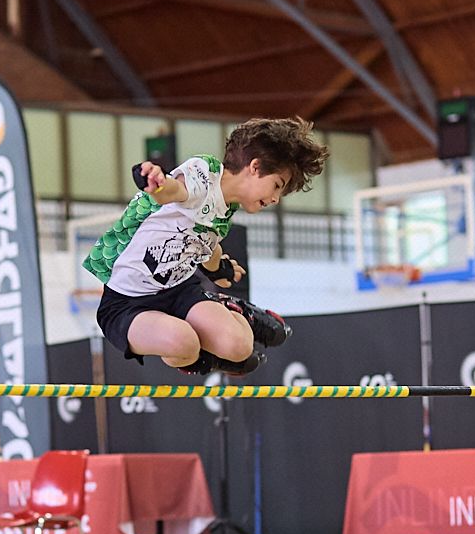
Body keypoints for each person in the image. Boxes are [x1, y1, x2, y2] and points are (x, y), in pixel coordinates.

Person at [83, 116, 327, 375]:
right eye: (277, 185)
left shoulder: (226, 211)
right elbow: (174, 191)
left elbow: (205, 246)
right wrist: (156, 182)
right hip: (126, 304)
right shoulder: (205, 173)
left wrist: (220, 269)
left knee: (240, 347)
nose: (276, 198)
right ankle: (198, 355)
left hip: (180, 292)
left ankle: (232, 313)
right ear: (254, 167)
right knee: (183, 342)